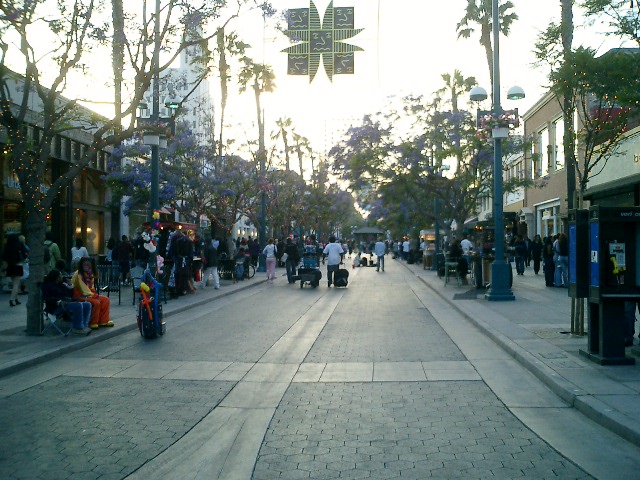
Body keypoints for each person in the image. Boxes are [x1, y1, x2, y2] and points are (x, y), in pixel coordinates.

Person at [42, 269, 92, 335]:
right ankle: (77, 328)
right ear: (56, 278)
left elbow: (69, 294)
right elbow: (47, 298)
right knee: (78, 305)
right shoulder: (47, 286)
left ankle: (84, 325)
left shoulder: (61, 285)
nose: (62, 277)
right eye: (60, 276)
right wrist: (59, 301)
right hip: (55, 307)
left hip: (65, 303)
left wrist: (70, 285)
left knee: (87, 304)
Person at [71, 257, 113, 329]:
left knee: (106, 300)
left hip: (89, 295)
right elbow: (83, 289)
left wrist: (94, 294)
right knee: (96, 302)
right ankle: (93, 322)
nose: (87, 266)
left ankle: (103, 321)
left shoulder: (90, 274)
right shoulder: (78, 274)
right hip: (79, 296)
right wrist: (94, 295)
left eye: (89, 264)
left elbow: (92, 288)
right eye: (85, 264)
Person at [2, 233, 28, 307]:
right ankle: (12, 299)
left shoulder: (7, 246)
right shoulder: (20, 245)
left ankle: (16, 299)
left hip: (10, 266)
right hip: (18, 265)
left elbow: (4, 258)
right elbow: (25, 255)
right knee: (16, 283)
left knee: (15, 282)